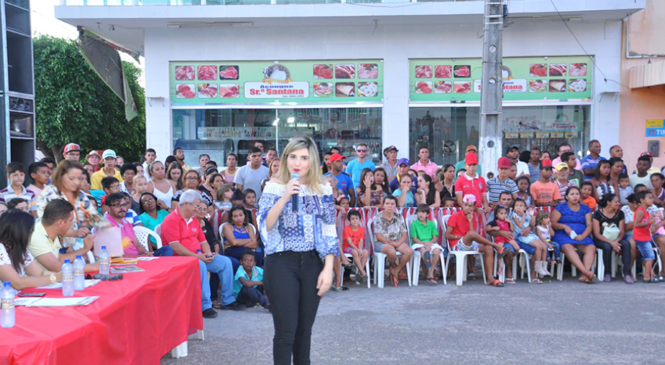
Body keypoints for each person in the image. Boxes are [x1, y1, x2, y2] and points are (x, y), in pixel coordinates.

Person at [257, 137, 337, 364]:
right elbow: (265, 225)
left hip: (312, 263)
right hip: (281, 262)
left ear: (312, 161)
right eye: (293, 156)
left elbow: (328, 229)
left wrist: (328, 268)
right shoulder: (274, 185)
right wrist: (284, 197)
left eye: (303, 157)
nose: (297, 163)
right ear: (285, 159)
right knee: (286, 332)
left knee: (304, 333)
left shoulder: (321, 188)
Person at [161, 190, 245, 318]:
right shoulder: (171, 220)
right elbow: (176, 247)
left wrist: (208, 254)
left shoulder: (193, 220)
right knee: (199, 264)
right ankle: (205, 306)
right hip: (178, 259)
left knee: (225, 262)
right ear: (186, 204)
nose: (198, 209)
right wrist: (197, 257)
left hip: (197, 256)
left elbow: (203, 241)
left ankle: (228, 300)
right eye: (196, 206)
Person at [445, 194, 507, 287]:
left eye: (470, 206)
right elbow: (447, 235)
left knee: (488, 248)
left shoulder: (472, 217)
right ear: (462, 204)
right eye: (465, 205)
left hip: (469, 243)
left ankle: (490, 278)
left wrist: (470, 222)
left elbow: (473, 235)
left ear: (474, 207)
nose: (467, 208)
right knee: (470, 234)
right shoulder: (455, 216)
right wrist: (462, 237)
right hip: (456, 245)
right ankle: (497, 246)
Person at [28, 200, 100, 273]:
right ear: (60, 223)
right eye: (71, 220)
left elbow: (59, 258)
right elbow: (57, 268)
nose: (72, 223)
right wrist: (94, 266)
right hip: (39, 283)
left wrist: (85, 248)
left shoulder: (50, 231)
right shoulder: (36, 236)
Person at [0, 210, 63, 290]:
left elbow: (40, 273)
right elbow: (17, 283)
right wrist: (55, 277)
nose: (30, 235)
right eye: (30, 231)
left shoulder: (20, 250)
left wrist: (64, 275)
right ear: (20, 231)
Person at [551, 186, 599, 283]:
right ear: (567, 197)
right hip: (563, 234)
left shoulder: (585, 208)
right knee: (568, 247)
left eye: (577, 194)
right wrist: (564, 227)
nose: (575, 196)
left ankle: (583, 275)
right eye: (572, 194)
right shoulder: (561, 207)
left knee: (591, 248)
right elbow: (552, 223)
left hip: (582, 235)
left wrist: (583, 235)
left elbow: (589, 224)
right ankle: (587, 273)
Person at [373, 196, 412, 287]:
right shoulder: (378, 217)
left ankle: (396, 270)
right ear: (383, 205)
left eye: (392, 204)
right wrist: (390, 243)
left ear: (395, 206)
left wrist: (397, 243)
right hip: (381, 242)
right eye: (387, 204)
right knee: (391, 251)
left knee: (409, 251)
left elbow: (404, 234)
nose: (390, 206)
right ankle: (395, 267)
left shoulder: (399, 216)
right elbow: (378, 236)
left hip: (396, 241)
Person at [592, 193, 631, 283]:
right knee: (607, 246)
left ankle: (627, 274)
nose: (618, 204)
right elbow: (597, 234)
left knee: (625, 244)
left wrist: (616, 241)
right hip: (601, 239)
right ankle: (607, 273)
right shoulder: (598, 214)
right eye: (616, 202)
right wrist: (611, 243)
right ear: (608, 202)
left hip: (616, 238)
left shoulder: (620, 213)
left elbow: (622, 231)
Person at [511, 199, 551, 280]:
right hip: (523, 236)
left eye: (521, 206)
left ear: (525, 207)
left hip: (531, 234)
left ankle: (544, 266)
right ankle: (538, 266)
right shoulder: (514, 215)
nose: (518, 207)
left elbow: (532, 224)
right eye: (517, 206)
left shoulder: (527, 214)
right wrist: (523, 216)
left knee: (544, 246)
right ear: (514, 208)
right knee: (538, 247)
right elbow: (520, 226)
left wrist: (531, 215)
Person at [486, 206, 519, 283]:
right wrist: (494, 228)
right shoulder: (494, 222)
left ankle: (512, 257)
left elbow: (512, 229)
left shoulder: (507, 221)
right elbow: (487, 229)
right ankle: (500, 267)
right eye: (501, 213)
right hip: (500, 238)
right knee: (500, 250)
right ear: (497, 215)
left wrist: (510, 222)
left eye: (505, 213)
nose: (504, 215)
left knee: (517, 248)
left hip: (508, 238)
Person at [410, 204, 441, 285]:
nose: (421, 214)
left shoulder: (431, 223)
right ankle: (429, 267)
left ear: (427, 214)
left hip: (430, 243)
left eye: (423, 212)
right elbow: (414, 238)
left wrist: (429, 243)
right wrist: (424, 243)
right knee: (422, 249)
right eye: (419, 212)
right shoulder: (414, 224)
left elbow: (435, 238)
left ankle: (430, 272)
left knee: (437, 250)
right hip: (419, 243)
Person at [632, 191, 658, 283]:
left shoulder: (646, 211)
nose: (652, 200)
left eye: (652, 198)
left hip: (646, 237)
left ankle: (651, 274)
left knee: (647, 256)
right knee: (650, 256)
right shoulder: (640, 211)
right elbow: (636, 224)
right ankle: (647, 276)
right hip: (641, 238)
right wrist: (649, 222)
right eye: (649, 198)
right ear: (642, 200)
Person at [342, 210, 369, 283]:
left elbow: (361, 241)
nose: (355, 221)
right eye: (352, 219)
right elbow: (349, 242)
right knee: (355, 252)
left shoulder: (361, 229)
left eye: (356, 218)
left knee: (365, 252)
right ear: (349, 220)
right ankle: (363, 273)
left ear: (360, 220)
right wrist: (357, 250)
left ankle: (359, 273)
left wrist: (360, 249)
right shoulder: (346, 229)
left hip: (358, 247)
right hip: (348, 247)